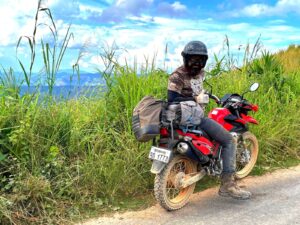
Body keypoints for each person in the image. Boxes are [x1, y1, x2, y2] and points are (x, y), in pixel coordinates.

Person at [167, 40, 252, 200]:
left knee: (213, 137)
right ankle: (228, 185)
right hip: (192, 118)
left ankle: (206, 165)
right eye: (193, 59)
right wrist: (195, 98)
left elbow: (196, 88)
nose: (196, 63)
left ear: (204, 61)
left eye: (200, 60)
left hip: (192, 117)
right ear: (185, 58)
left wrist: (207, 96)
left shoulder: (200, 74)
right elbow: (171, 99)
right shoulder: (177, 76)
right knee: (228, 140)